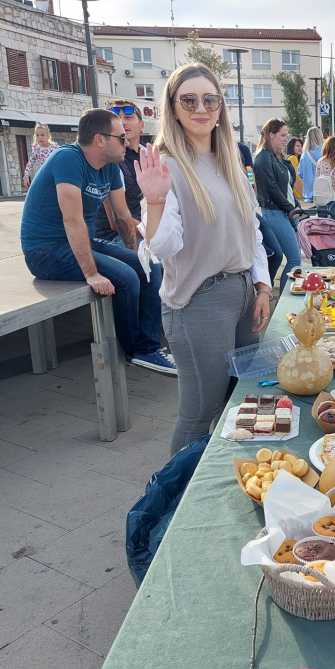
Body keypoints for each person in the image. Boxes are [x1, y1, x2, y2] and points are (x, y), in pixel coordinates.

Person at [133, 63, 273, 453]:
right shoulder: (168, 167)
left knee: (237, 400)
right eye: (189, 99)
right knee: (199, 412)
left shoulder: (229, 160)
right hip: (199, 303)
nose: (201, 108)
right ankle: (174, 503)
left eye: (210, 99)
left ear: (220, 107)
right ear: (173, 108)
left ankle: (221, 479)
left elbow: (252, 231)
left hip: (244, 295)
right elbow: (163, 249)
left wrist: (262, 285)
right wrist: (156, 200)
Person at [20, 109, 175, 375]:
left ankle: (149, 347)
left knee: (150, 268)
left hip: (81, 242)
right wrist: (91, 273)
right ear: (100, 139)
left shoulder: (110, 166)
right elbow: (72, 220)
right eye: (121, 138)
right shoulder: (67, 159)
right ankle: (136, 351)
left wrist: (137, 255)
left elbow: (123, 216)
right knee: (126, 278)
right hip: (44, 250)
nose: (127, 144)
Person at [254, 118, 302, 294]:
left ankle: (272, 294)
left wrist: (295, 206)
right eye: (282, 135)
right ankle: (285, 301)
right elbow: (272, 188)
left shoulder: (275, 157)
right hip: (276, 212)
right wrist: (291, 209)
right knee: (294, 260)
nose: (285, 139)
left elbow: (287, 186)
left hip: (285, 212)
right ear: (271, 134)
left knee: (288, 258)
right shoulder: (263, 157)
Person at [95, 99, 148, 244]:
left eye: (129, 117)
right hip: (114, 237)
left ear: (142, 125)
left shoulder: (150, 154)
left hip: (145, 231)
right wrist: (155, 235)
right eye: (116, 119)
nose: (122, 123)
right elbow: (118, 222)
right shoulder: (108, 159)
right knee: (156, 265)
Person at [22, 123, 57, 189]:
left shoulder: (55, 147)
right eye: (37, 135)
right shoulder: (36, 149)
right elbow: (30, 163)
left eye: (42, 135)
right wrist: (26, 177)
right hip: (44, 175)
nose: (40, 137)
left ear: (48, 136)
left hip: (54, 175)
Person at [298, 126, 323, 202]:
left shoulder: (304, 154)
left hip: (308, 196)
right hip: (322, 194)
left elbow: (300, 173)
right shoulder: (323, 151)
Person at [286, 137, 304, 203]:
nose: (300, 148)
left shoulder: (289, 157)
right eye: (297, 146)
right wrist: (302, 195)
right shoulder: (293, 158)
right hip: (297, 194)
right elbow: (297, 178)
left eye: (301, 146)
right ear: (292, 147)